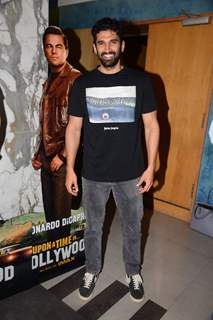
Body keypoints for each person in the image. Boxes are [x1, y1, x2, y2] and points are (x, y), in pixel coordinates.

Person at [65, 17, 159, 302]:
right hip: (93, 172)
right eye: (102, 43)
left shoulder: (141, 81)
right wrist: (70, 168)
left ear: (122, 45)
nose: (107, 48)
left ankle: (133, 271)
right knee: (93, 227)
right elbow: (74, 128)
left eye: (113, 42)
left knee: (133, 226)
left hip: (131, 172)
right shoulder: (82, 84)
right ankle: (92, 270)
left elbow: (152, 125)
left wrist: (151, 166)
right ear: (95, 48)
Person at [32, 26, 80, 240]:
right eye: (49, 46)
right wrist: (38, 152)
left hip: (63, 159)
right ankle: (53, 253)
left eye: (58, 46)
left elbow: (82, 126)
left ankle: (61, 257)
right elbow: (45, 122)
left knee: (61, 218)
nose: (53, 51)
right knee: (50, 214)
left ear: (66, 50)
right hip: (46, 156)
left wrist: (62, 156)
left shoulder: (76, 80)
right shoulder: (48, 81)